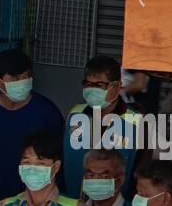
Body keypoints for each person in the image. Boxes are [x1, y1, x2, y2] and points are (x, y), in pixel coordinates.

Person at [0, 49, 65, 206]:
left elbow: (59, 156)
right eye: (16, 78)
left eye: (27, 76)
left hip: (42, 200)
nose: (23, 82)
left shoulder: (47, 113)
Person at [61, 54, 144, 195]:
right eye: (88, 84)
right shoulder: (75, 114)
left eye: (99, 85)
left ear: (117, 86)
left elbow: (140, 172)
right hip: (75, 204)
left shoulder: (137, 122)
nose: (92, 90)